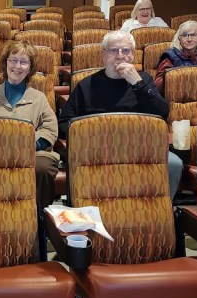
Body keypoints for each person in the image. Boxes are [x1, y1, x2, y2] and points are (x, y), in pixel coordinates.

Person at [58, 30, 183, 198]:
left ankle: (161, 209)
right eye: (113, 50)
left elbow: (163, 113)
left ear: (133, 54)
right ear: (103, 55)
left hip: (140, 147)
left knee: (174, 164)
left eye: (125, 50)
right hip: (99, 148)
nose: (120, 56)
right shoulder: (86, 85)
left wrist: (137, 84)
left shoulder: (144, 80)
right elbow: (64, 124)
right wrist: (93, 132)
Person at [0, 39, 59, 208]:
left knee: (42, 168)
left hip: (32, 153)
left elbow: (50, 127)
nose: (17, 66)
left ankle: (39, 215)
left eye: (23, 62)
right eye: (13, 60)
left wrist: (31, 144)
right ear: (5, 63)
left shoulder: (39, 98)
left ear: (30, 68)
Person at [153, 20, 197, 94]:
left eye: (193, 35)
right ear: (179, 39)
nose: (189, 39)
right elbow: (158, 84)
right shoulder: (170, 56)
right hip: (178, 96)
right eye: (184, 35)